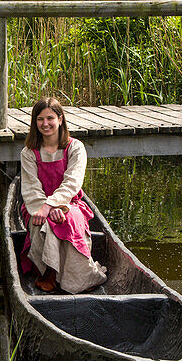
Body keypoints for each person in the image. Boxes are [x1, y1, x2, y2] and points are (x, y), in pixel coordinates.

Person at [20, 96, 107, 294]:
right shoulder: (29, 152)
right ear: (35, 122)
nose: (45, 124)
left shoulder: (75, 148)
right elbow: (31, 188)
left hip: (69, 203)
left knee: (68, 220)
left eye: (50, 118)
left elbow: (72, 183)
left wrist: (53, 206)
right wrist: (45, 208)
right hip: (37, 205)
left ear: (60, 119)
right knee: (41, 222)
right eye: (40, 119)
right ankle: (49, 272)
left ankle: (73, 278)